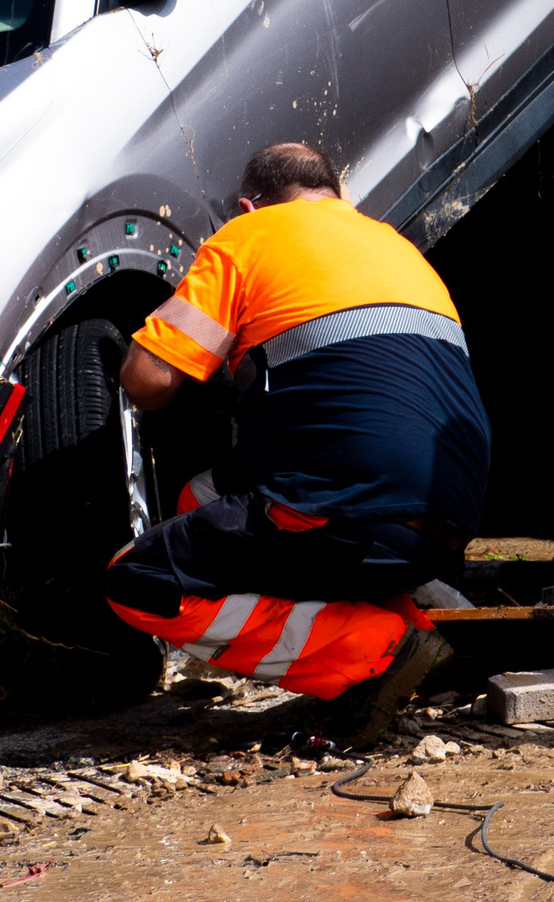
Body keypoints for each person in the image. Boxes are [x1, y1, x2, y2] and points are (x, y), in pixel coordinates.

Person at [106, 142, 491, 741]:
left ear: (246, 206)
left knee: (139, 583)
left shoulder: (248, 237)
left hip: (343, 507)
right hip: (448, 514)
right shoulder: (398, 247)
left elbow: (148, 380)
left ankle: (376, 650)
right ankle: (426, 628)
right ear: (336, 196)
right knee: (203, 497)